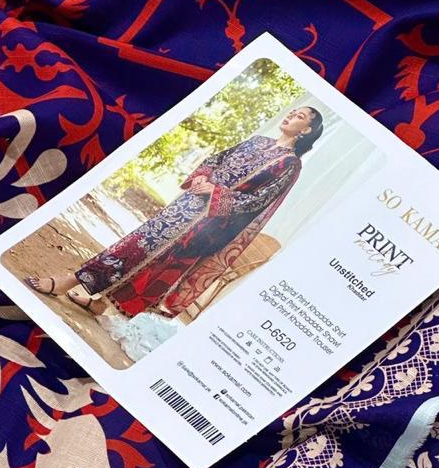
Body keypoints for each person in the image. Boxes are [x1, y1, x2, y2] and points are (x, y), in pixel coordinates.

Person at [27, 106, 323, 318]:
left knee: (151, 260)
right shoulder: (258, 141)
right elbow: (216, 159)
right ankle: (92, 296)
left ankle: (76, 286)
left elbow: (257, 201)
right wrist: (202, 178)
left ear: (306, 130)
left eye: (299, 116)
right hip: (187, 205)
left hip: (209, 224)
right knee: (137, 245)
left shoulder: (289, 164)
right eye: (292, 111)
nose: (290, 115)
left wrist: (216, 193)